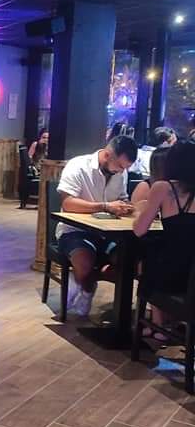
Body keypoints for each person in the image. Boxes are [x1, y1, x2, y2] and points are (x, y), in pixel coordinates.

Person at [56, 135, 138, 317]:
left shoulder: (120, 173)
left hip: (109, 232)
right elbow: (68, 203)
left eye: (125, 168)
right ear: (107, 155)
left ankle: (85, 281)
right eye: (120, 166)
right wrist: (106, 206)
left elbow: (122, 198)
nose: (121, 171)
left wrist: (126, 206)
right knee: (85, 264)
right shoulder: (78, 166)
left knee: (129, 263)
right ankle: (86, 287)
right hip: (75, 230)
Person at [134, 143, 195, 339]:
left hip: (172, 270)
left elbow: (139, 230)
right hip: (191, 274)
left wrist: (142, 210)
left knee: (147, 259)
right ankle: (173, 321)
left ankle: (158, 325)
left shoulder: (163, 187)